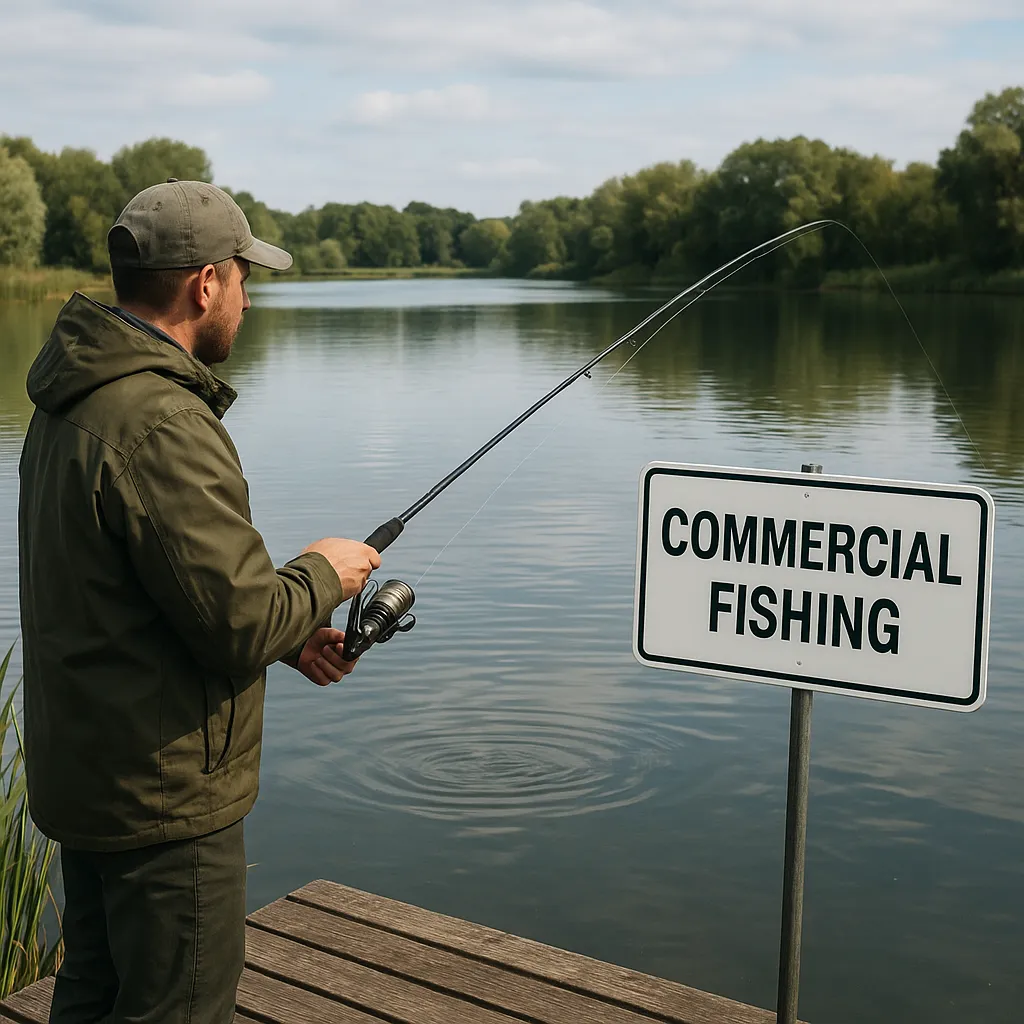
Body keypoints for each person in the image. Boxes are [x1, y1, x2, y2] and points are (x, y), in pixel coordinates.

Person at [18, 179, 380, 1023]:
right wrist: (324, 572)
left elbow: (132, 590)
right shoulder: (163, 422)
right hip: (165, 801)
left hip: (93, 779)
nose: (248, 301)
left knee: (92, 996)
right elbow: (239, 618)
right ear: (205, 284)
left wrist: (293, 638)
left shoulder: (71, 400)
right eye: (244, 279)